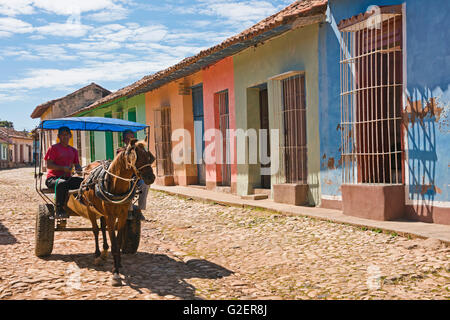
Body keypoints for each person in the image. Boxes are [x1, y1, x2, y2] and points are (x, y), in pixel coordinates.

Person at [44, 126, 83, 218]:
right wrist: (63, 168)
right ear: (58, 136)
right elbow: (49, 165)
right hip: (53, 179)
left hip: (67, 178)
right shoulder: (53, 148)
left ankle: (82, 205)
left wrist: (79, 169)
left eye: (67, 135)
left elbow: (77, 164)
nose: (65, 137)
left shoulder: (74, 151)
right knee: (62, 184)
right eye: (62, 135)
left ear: (70, 136)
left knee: (84, 183)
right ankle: (59, 209)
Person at [116, 130, 149, 220]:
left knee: (145, 184)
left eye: (133, 138)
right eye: (128, 139)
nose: (131, 141)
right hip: (125, 178)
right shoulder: (120, 151)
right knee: (129, 187)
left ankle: (140, 210)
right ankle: (129, 211)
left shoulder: (138, 151)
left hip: (136, 177)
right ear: (124, 141)